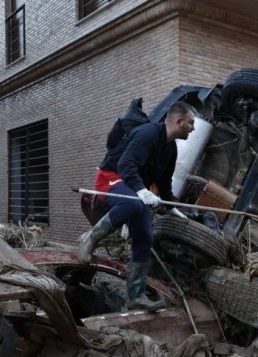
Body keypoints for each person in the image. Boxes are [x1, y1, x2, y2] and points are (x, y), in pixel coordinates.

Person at [78, 100, 196, 310]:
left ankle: (136, 295)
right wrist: (141, 191)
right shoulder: (148, 133)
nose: (193, 128)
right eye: (190, 123)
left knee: (145, 236)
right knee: (133, 204)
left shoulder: (171, 149)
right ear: (179, 122)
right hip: (111, 177)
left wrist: (173, 208)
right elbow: (125, 164)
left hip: (131, 186)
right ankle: (90, 239)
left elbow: (164, 182)